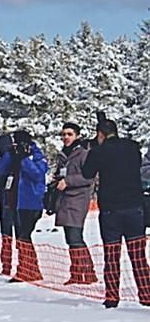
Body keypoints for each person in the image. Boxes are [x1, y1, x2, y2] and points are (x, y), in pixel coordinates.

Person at [82, 119, 150, 307]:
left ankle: (112, 297)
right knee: (138, 254)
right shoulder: (132, 148)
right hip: (134, 207)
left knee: (111, 255)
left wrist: (93, 149)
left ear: (100, 134)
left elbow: (87, 173)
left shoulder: (98, 151)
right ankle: (146, 294)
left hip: (111, 209)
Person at [0, 129, 48, 282]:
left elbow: (38, 174)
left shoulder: (36, 155)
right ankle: (29, 268)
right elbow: (1, 169)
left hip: (31, 202)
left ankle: (28, 269)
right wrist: (11, 154)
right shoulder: (13, 153)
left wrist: (25, 158)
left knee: (24, 236)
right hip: (14, 201)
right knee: (22, 237)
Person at [51, 122, 98, 285]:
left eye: (69, 134)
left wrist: (68, 181)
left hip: (78, 199)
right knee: (69, 237)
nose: (65, 137)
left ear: (77, 135)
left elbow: (90, 177)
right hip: (64, 200)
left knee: (75, 236)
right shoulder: (63, 155)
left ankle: (88, 272)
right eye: (63, 134)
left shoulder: (84, 154)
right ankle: (77, 273)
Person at [0, 134, 16, 276]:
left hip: (6, 201)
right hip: (19, 201)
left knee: (6, 236)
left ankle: (6, 266)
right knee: (22, 236)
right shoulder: (20, 158)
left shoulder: (3, 161)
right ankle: (26, 265)